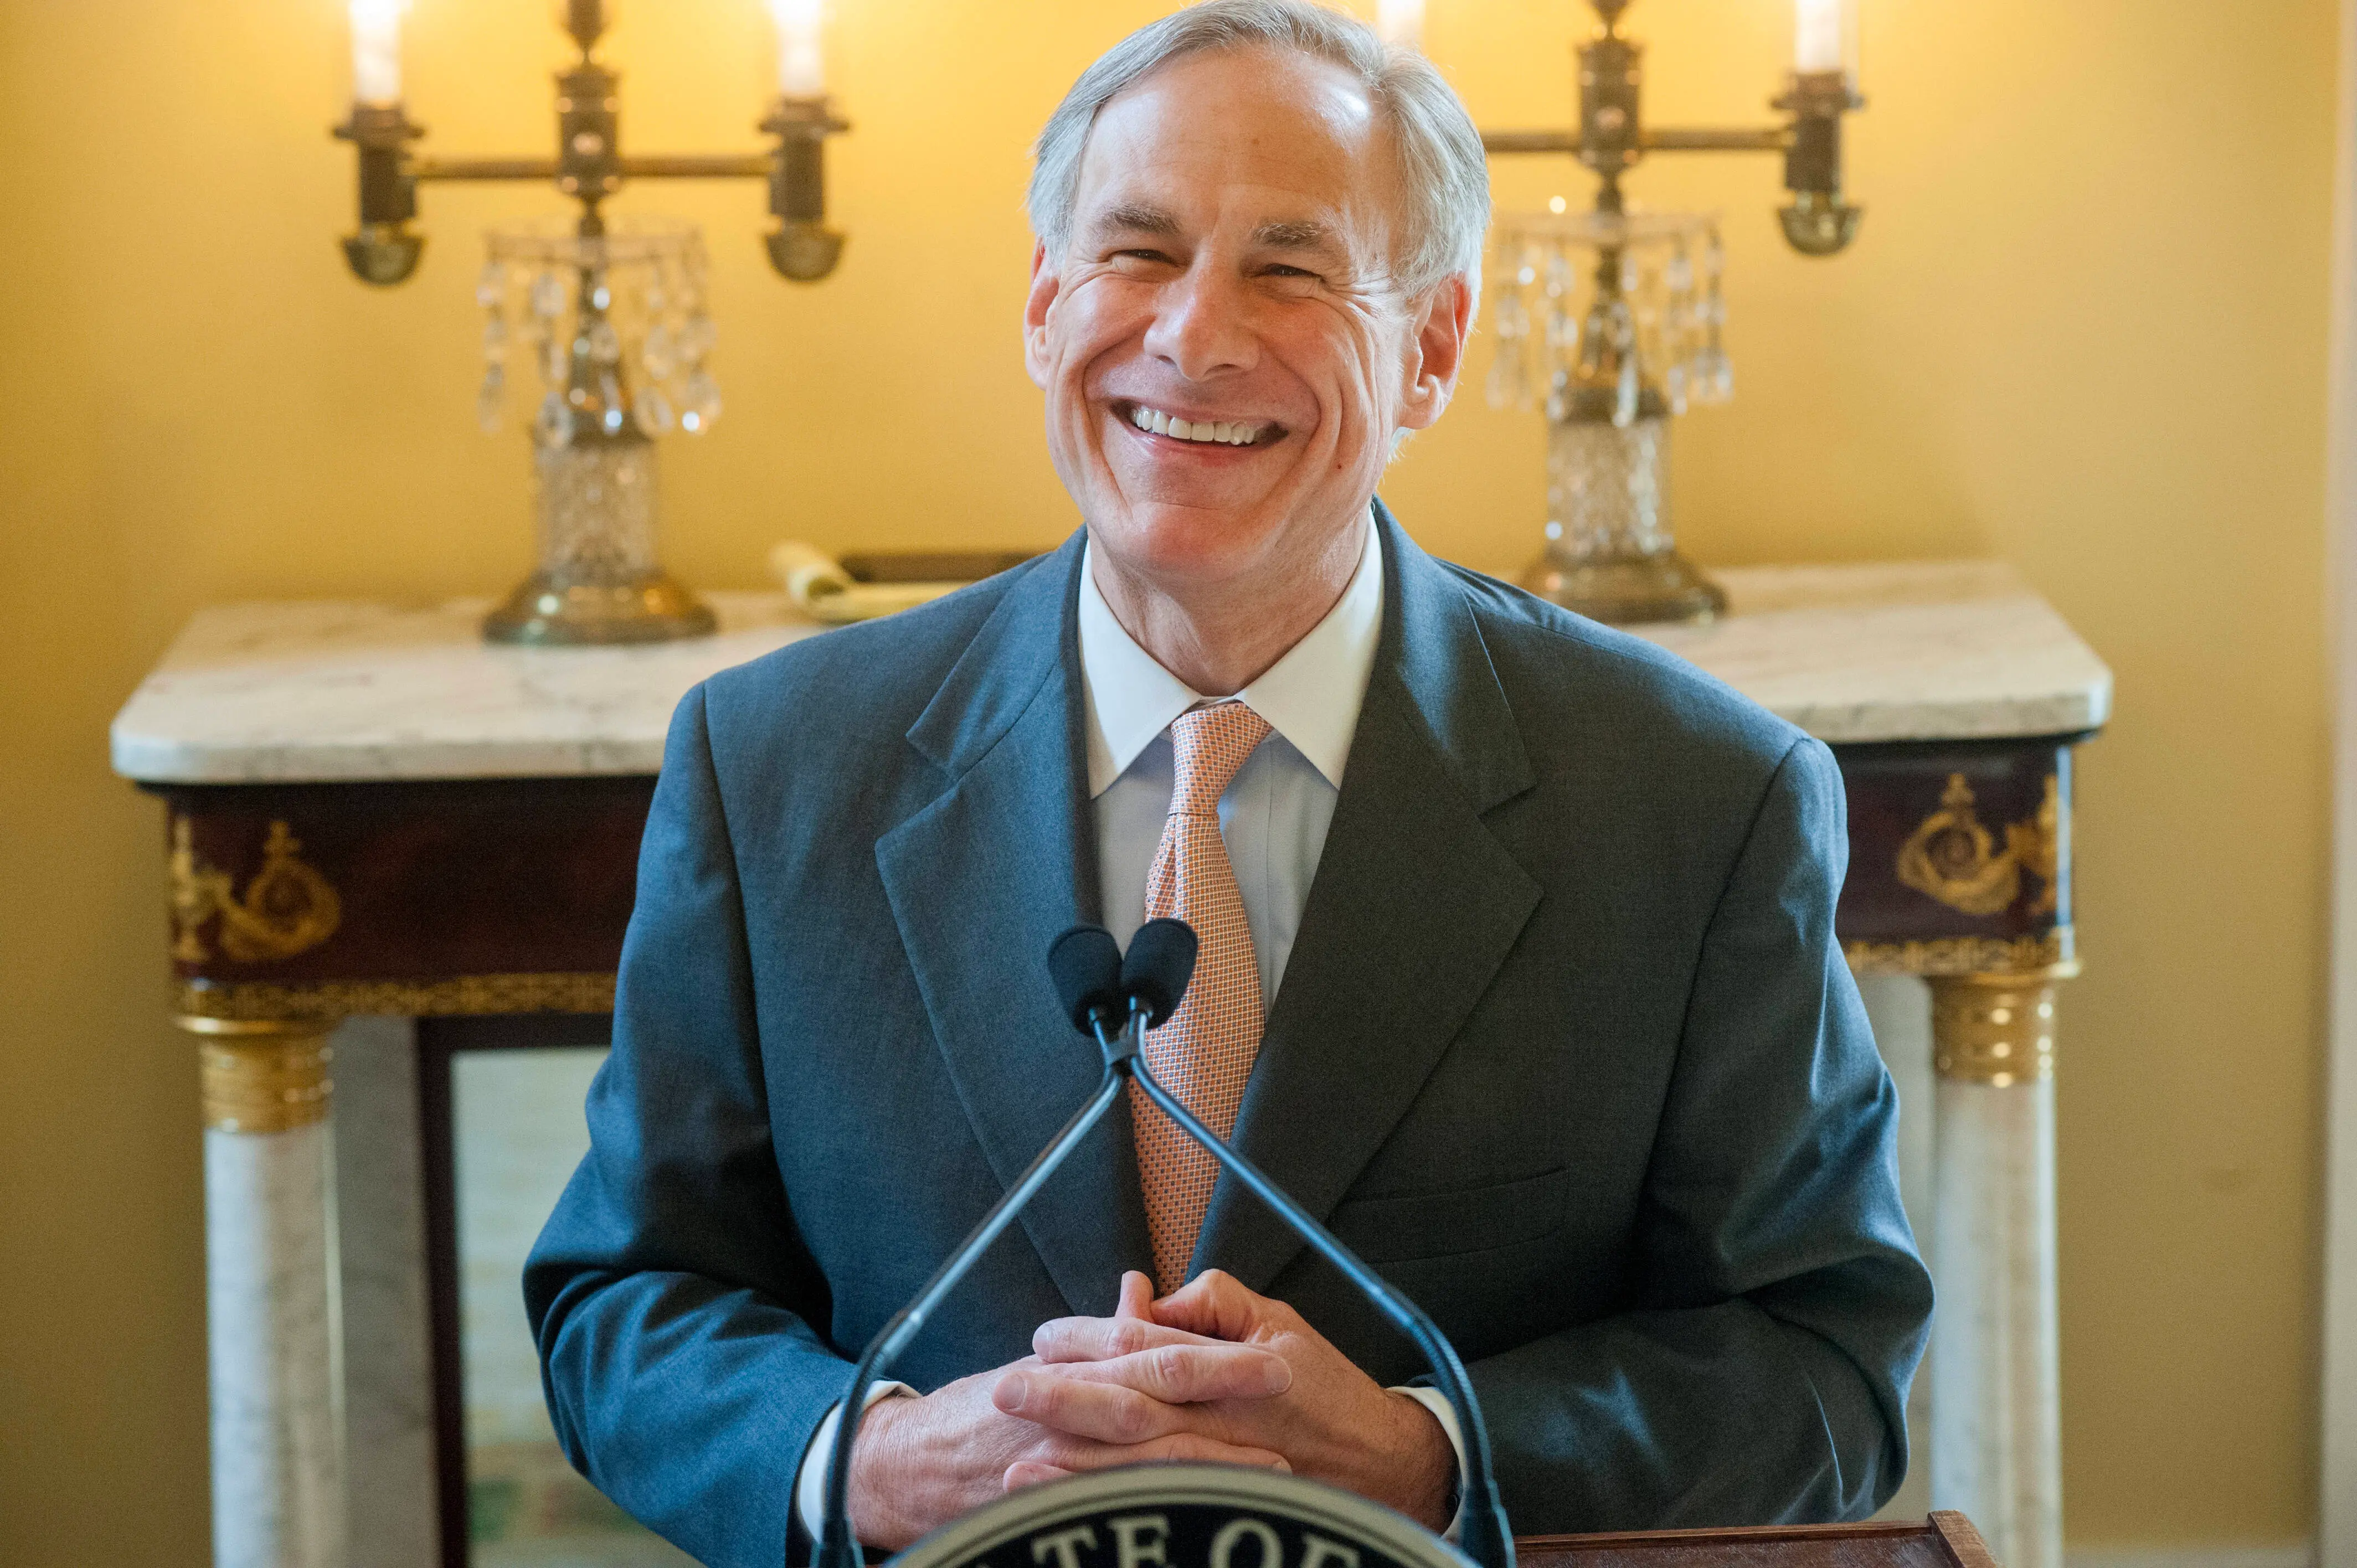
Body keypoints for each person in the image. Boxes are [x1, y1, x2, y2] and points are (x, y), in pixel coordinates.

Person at [525, 4, 1933, 1565]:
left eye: (1291, 267)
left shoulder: (1699, 804)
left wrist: (1429, 1453)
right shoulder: (775, 767)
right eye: (1135, 254)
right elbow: (627, 1301)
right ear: (1046, 308)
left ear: (1434, 350)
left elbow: (1826, 1357)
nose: (1194, 336)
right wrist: (866, 1457)